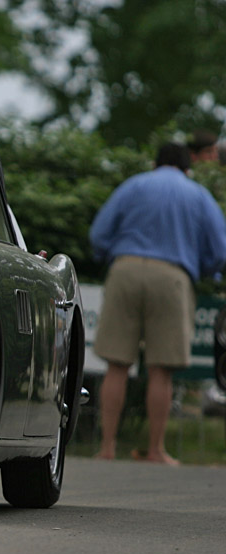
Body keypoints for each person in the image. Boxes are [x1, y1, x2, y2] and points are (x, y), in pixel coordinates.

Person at [90, 142, 226, 465]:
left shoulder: (133, 185)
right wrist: (203, 268)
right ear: (187, 167)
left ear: (155, 164)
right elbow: (220, 250)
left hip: (125, 269)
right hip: (172, 276)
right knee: (162, 369)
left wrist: (110, 256)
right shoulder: (198, 195)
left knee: (116, 364)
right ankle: (155, 450)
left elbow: (98, 234)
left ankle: (107, 448)